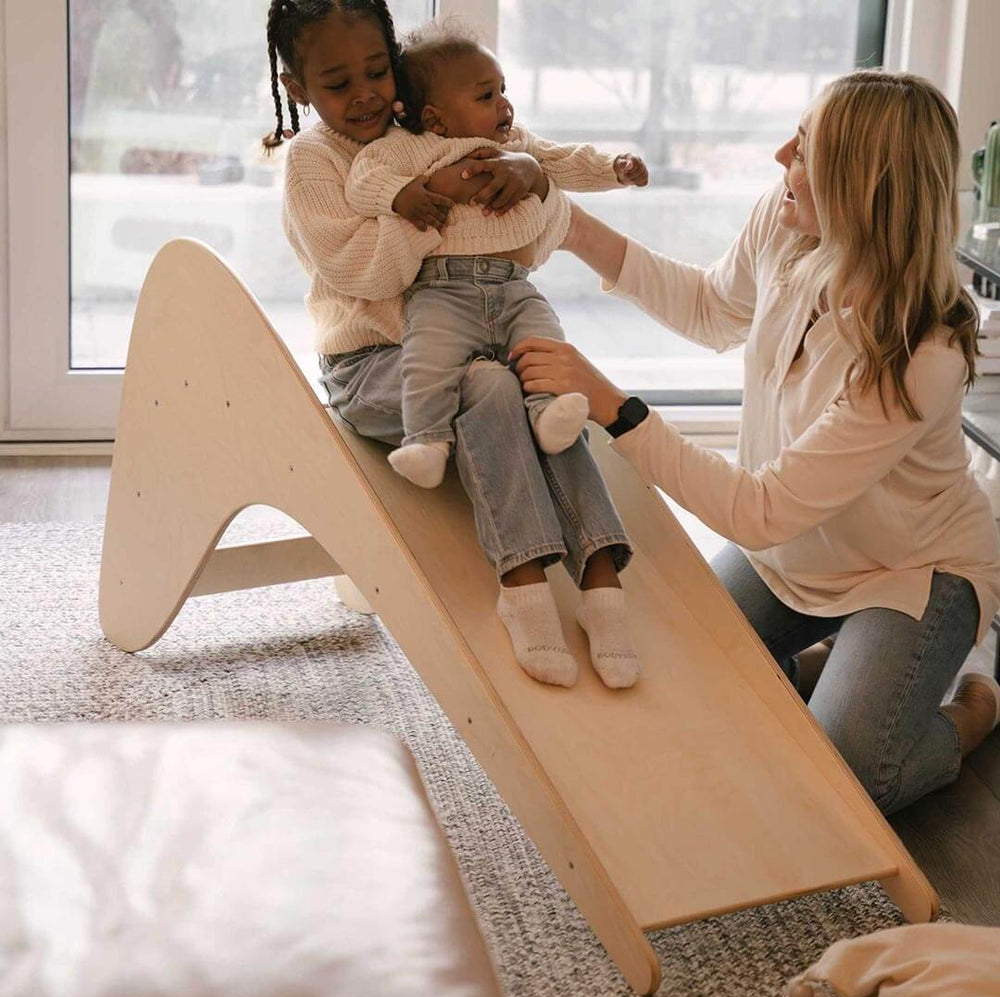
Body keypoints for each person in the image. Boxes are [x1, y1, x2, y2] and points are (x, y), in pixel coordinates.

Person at [509, 70, 1000, 814]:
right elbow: (711, 309)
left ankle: (969, 712)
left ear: (862, 181)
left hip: (910, 571)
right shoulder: (790, 218)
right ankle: (826, 666)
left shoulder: (923, 347)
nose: (779, 159)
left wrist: (614, 406)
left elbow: (759, 511)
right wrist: (567, 224)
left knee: (851, 773)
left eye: (803, 150)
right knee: (668, 676)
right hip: (790, 559)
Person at [265, 0, 640, 690]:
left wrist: (536, 177)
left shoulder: (436, 113)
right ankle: (523, 585)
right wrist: (431, 202)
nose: (365, 96)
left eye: (378, 72)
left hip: (484, 336)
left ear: (397, 63)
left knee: (542, 379)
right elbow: (365, 273)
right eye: (338, 84)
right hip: (374, 364)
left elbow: (530, 245)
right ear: (298, 88)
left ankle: (602, 581)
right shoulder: (312, 163)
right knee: (491, 385)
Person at [343, 22, 649, 489]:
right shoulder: (413, 148)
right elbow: (364, 177)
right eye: (486, 96)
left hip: (513, 285)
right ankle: (426, 441)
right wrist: (404, 195)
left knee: (544, 343)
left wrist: (613, 169)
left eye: (503, 90)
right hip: (445, 287)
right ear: (437, 118)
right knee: (428, 358)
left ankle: (549, 412)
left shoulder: (517, 143)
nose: (504, 104)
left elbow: (562, 160)